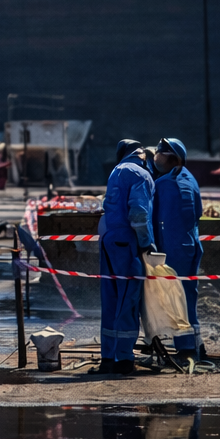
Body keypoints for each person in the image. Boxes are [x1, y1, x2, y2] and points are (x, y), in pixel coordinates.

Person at [97, 139, 155, 374]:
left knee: (110, 299)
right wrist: (146, 243)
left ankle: (108, 358)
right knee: (128, 301)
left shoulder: (117, 171)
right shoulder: (140, 174)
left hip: (109, 241)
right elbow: (139, 213)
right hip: (128, 243)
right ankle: (124, 360)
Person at [153, 137, 208, 368]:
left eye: (161, 153)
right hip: (191, 245)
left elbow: (152, 218)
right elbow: (198, 212)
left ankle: (186, 350)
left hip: (174, 249)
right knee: (188, 297)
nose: (157, 157)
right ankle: (197, 345)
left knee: (177, 300)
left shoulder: (163, 184)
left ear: (173, 158)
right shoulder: (190, 179)